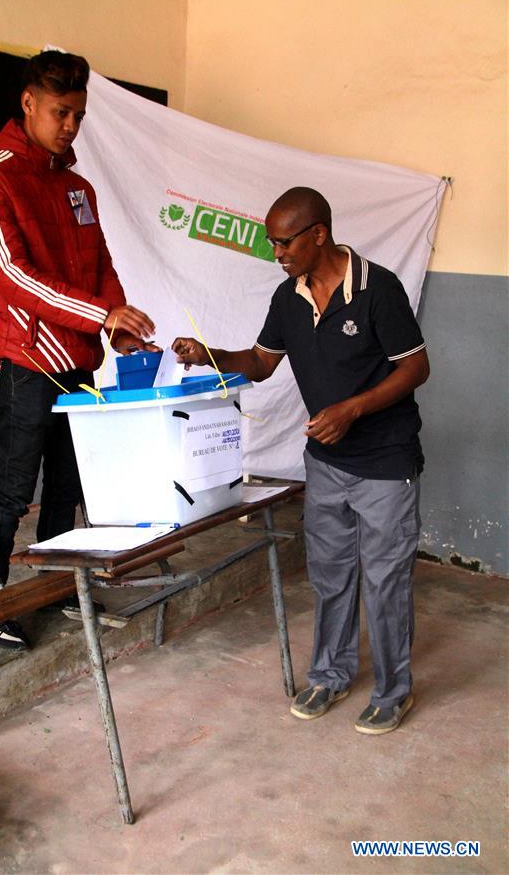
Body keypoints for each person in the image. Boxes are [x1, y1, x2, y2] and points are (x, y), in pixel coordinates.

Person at [172, 186, 430, 735]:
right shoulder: (289, 297)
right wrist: (210, 354)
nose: (277, 253)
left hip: (385, 461)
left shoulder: (378, 288)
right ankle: (331, 675)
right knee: (331, 575)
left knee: (386, 580)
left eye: (285, 242)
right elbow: (262, 364)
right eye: (272, 243)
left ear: (318, 235)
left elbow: (415, 368)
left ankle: (392, 692)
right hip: (327, 462)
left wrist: (352, 409)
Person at [0, 50, 158, 651]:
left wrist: (119, 328)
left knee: (70, 484)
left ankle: (55, 587)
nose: (71, 125)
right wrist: (101, 313)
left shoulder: (79, 187)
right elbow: (11, 276)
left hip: (79, 363)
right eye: (60, 112)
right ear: (28, 104)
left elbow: (100, 263)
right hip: (26, 361)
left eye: (78, 114)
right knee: (13, 486)